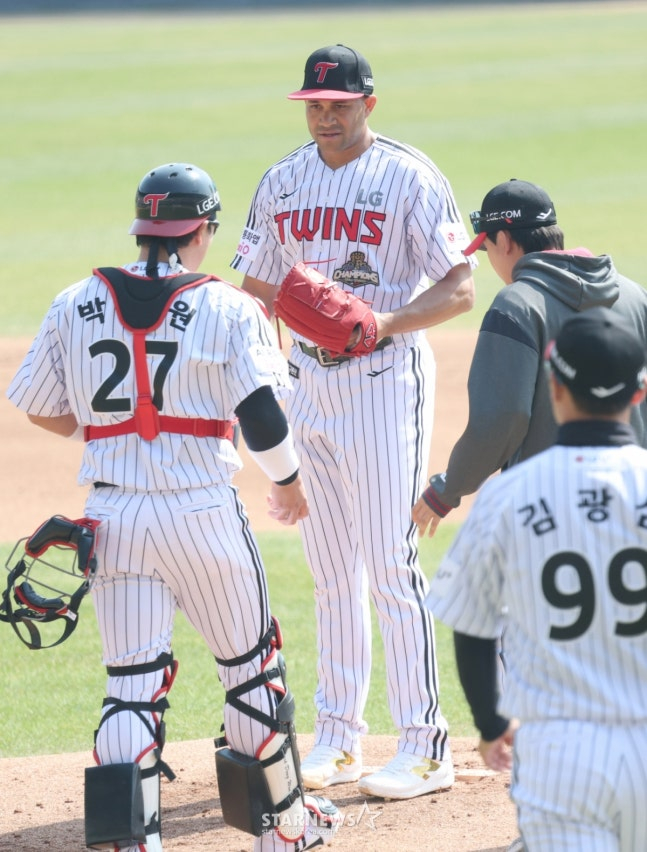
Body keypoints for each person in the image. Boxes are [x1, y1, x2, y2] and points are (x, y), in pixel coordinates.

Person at [6, 162, 340, 852]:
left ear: (142, 227)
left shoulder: (74, 301)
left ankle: (135, 844)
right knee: (250, 668)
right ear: (203, 230)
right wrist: (288, 482)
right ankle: (283, 833)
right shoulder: (229, 307)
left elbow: (38, 405)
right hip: (203, 516)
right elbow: (261, 419)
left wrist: (104, 434)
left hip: (115, 519)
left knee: (132, 683)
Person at [231, 44, 476, 799]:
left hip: (381, 382)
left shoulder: (409, 176)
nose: (325, 116)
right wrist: (277, 365)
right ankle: (338, 738)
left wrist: (382, 322)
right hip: (308, 387)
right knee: (331, 571)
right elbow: (256, 282)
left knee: (389, 563)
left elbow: (460, 289)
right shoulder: (283, 179)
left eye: (337, 104)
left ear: (368, 103)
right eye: (314, 104)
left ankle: (425, 743)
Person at [426, 306, 647, 851]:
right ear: (639, 394)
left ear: (554, 385)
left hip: (558, 754)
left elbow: (473, 628)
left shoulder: (507, 496)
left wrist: (490, 720)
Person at [412, 178, 647, 538]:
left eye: (487, 247)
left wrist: (448, 489)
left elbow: (502, 418)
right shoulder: (634, 296)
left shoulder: (516, 305)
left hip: (548, 510)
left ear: (504, 241)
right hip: (632, 502)